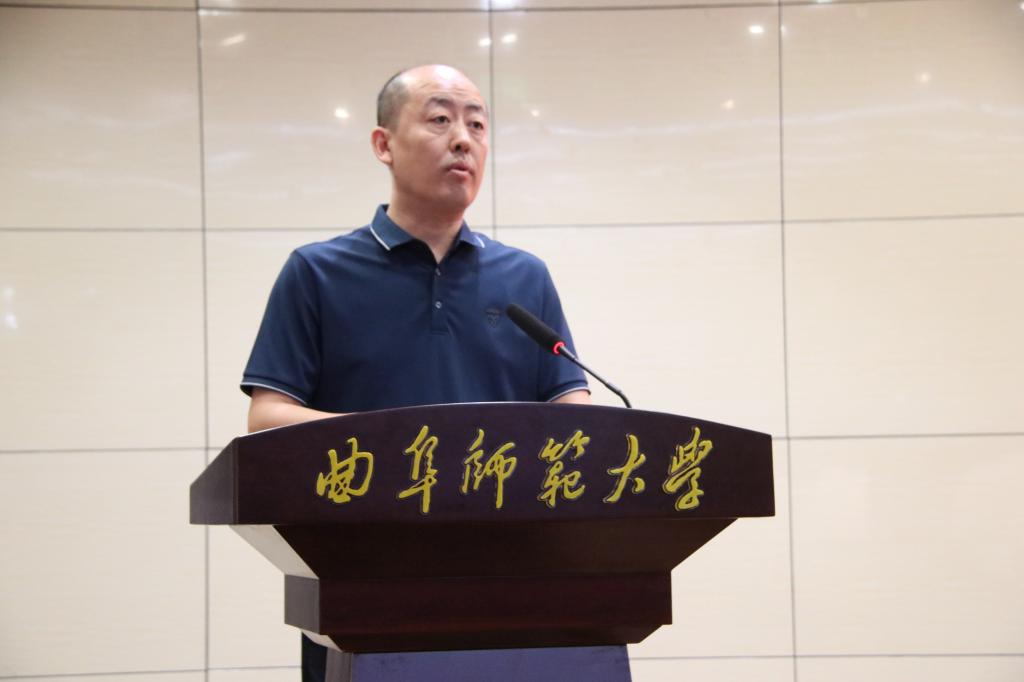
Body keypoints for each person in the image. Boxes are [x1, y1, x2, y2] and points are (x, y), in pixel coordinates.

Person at [240, 64, 590, 682]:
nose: (463, 140)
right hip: (362, 571)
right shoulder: (317, 272)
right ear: (384, 145)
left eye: (477, 125)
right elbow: (267, 417)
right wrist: (396, 447)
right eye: (440, 119)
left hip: (514, 572)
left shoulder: (524, 277)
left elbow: (571, 409)